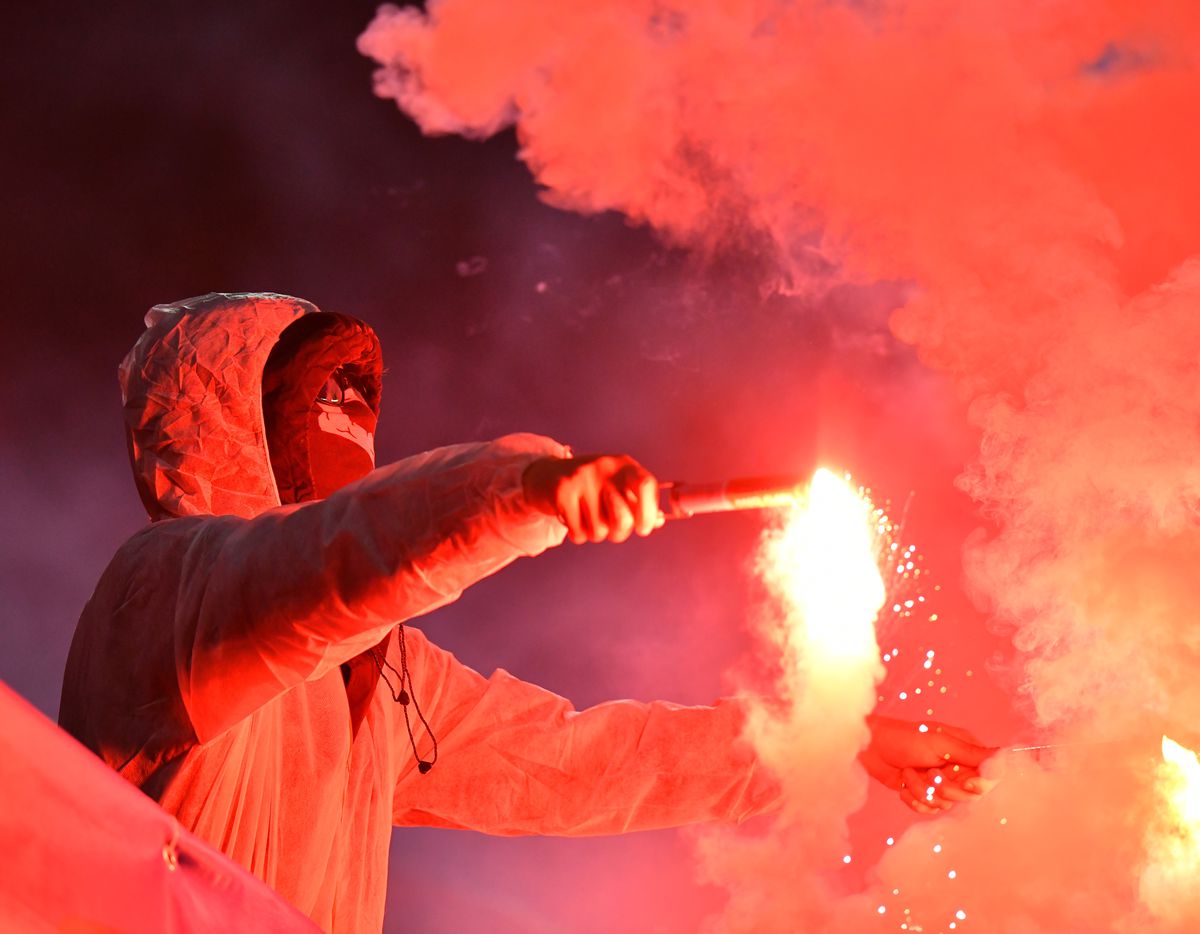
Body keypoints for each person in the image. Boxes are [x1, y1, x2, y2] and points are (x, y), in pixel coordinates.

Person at [59, 292, 990, 934]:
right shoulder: (164, 596)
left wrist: (840, 743)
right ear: (231, 429)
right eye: (311, 422)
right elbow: (335, 561)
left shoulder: (389, 680)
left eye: (353, 428)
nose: (345, 453)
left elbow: (576, 764)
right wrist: (528, 489)